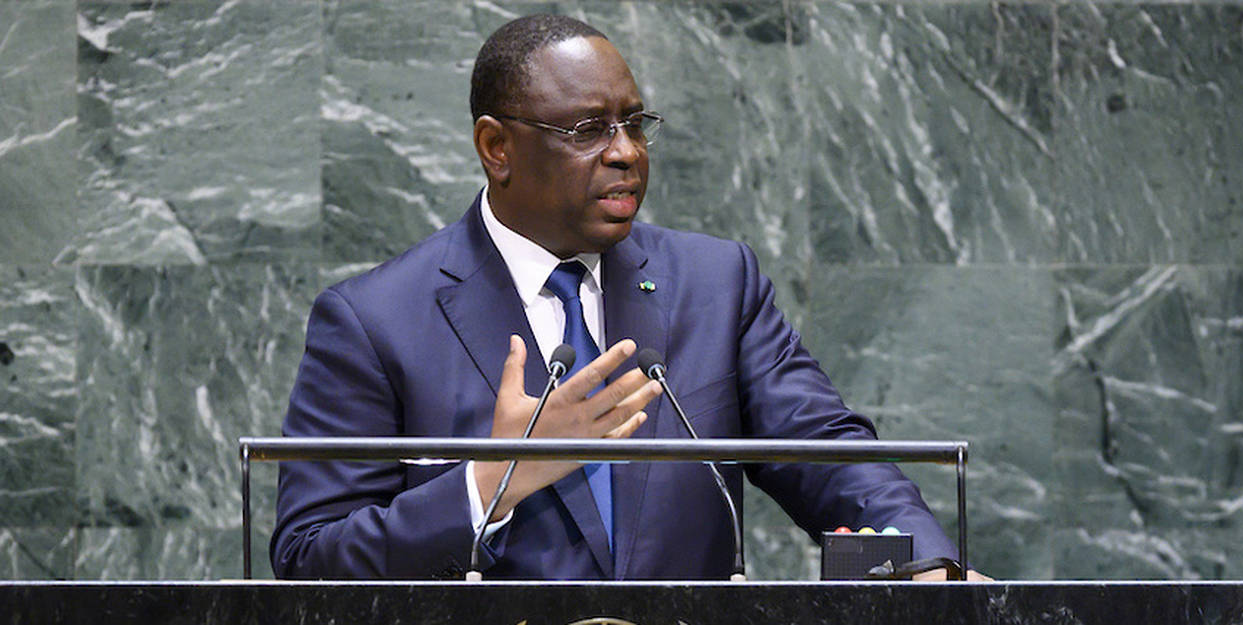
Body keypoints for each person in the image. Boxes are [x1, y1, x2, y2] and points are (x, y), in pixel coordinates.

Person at [272, 14, 970, 581]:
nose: (627, 152)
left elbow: (825, 451)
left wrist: (925, 563)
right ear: (496, 147)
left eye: (634, 123)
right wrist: (491, 480)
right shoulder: (375, 321)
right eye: (588, 130)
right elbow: (310, 557)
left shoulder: (715, 283)